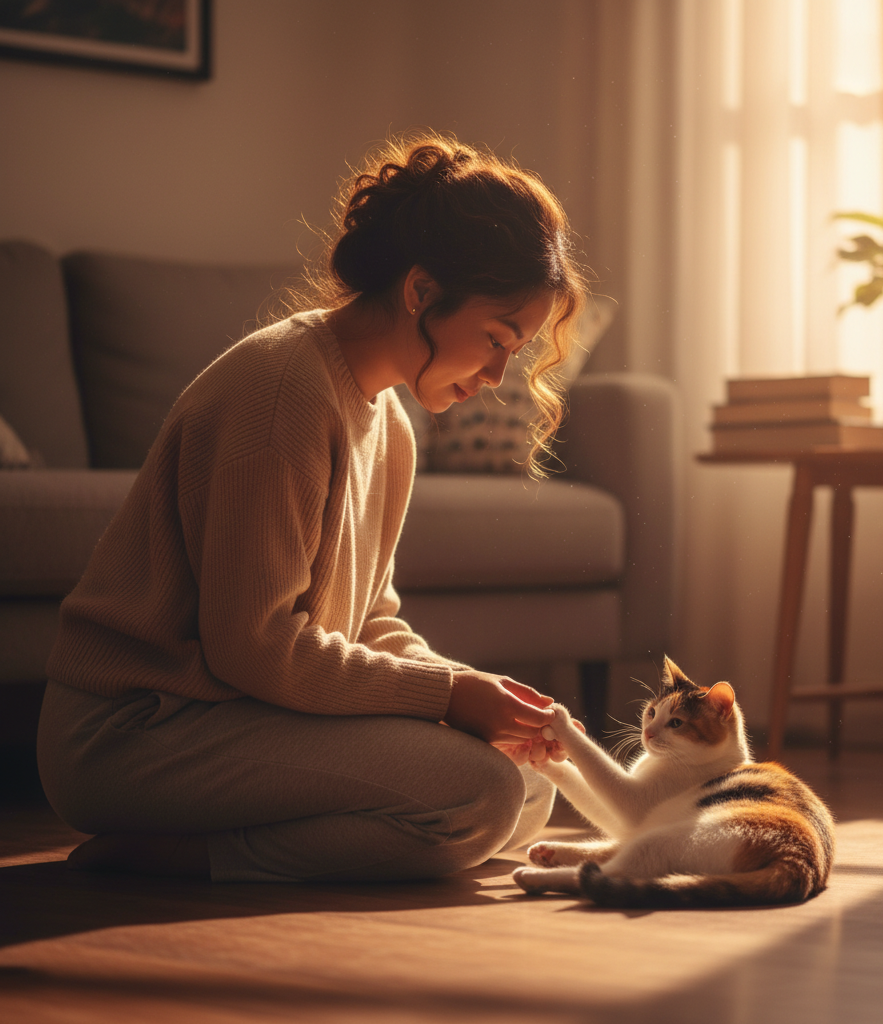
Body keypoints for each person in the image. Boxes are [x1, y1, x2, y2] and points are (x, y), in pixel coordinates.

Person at [36, 133, 589, 883]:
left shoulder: (391, 421)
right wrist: (449, 697)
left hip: (236, 713)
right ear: (421, 292)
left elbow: (370, 622)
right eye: (494, 339)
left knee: (524, 784)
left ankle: (217, 843)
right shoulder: (282, 393)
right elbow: (254, 644)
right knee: (479, 796)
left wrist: (486, 700)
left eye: (513, 352)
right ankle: (175, 857)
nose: (497, 375)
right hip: (135, 730)